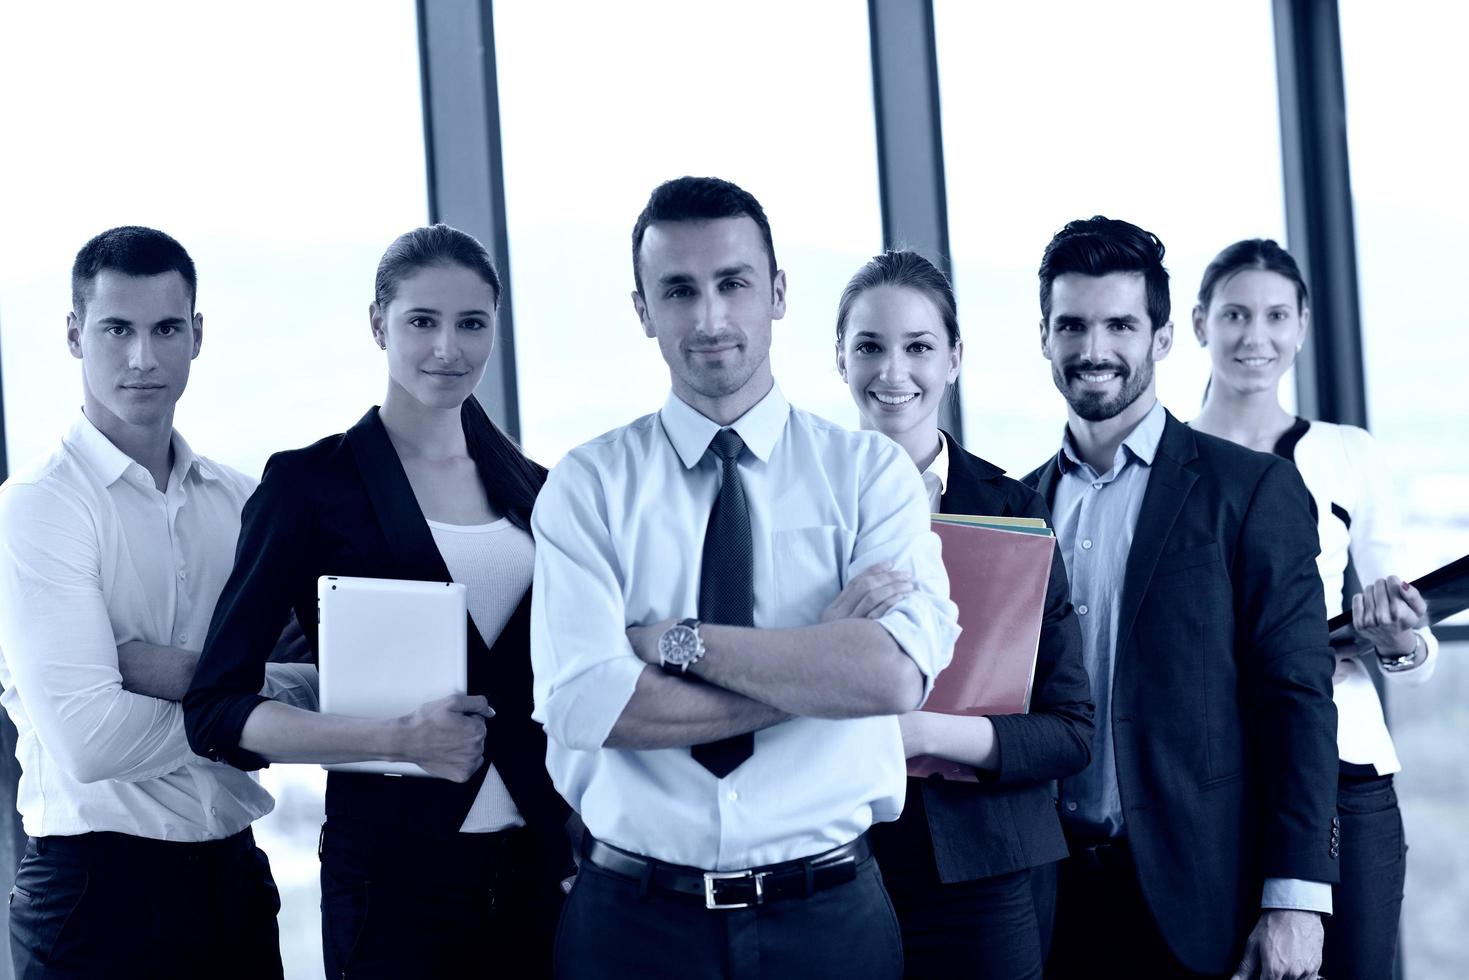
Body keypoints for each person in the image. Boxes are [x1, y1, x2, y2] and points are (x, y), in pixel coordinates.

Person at [531, 176, 961, 979]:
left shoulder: (870, 476)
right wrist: (815, 661)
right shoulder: (587, 486)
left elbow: (892, 676)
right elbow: (588, 704)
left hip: (830, 924)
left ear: (777, 293)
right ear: (642, 310)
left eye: (733, 284)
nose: (710, 318)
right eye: (679, 291)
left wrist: (672, 645)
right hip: (632, 928)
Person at [183, 224, 573, 978]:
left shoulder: (541, 490)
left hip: (541, 874)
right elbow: (215, 711)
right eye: (421, 321)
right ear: (377, 324)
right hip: (395, 885)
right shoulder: (307, 486)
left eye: (471, 324)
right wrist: (396, 740)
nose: (447, 349)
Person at [1021, 217, 1339, 979]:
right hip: (1045, 898)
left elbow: (1296, 699)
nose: (1093, 350)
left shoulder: (1249, 489)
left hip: (1197, 899)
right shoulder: (1017, 507)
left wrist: (1295, 899)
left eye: (1119, 325)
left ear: (1162, 338)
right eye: (1071, 326)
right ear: (1043, 337)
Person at [0, 226, 318, 978]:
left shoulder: (244, 505)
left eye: (166, 329)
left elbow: (331, 682)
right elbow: (92, 743)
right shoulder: (37, 508)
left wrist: (170, 672)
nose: (143, 357)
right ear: (76, 335)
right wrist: (242, 704)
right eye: (117, 329)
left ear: (196, 336)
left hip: (235, 884)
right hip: (93, 900)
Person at [833, 249, 1093, 979]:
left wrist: (923, 733)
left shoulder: (1014, 512)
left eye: (918, 347)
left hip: (984, 872)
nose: (893, 372)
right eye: (869, 347)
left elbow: (1069, 731)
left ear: (953, 359)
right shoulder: (792, 510)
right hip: (832, 867)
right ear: (839, 359)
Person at [1189, 238, 1437, 980]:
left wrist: (1393, 637)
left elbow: (1414, 658)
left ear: (1300, 325)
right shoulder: (1169, 461)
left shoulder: (1346, 453)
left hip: (1345, 769)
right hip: (1214, 771)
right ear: (1200, 323)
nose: (1252, 336)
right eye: (1233, 314)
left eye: (1272, 315)